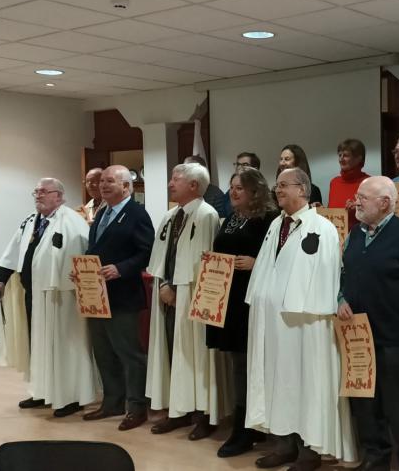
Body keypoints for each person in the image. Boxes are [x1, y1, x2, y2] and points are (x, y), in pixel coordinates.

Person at [246, 167, 356, 471]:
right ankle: (284, 444)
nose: (278, 190)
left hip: (306, 323)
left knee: (306, 383)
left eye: (284, 185)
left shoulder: (322, 227)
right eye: (276, 185)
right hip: (274, 321)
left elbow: (326, 276)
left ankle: (310, 450)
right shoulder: (275, 225)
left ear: (303, 190)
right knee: (278, 382)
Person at [0, 178, 97, 417]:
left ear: (58, 196)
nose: (37, 195)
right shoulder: (31, 221)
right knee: (37, 344)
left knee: (65, 347)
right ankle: (41, 391)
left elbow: (85, 255)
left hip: (62, 297)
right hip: (35, 295)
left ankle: (71, 396)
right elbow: (13, 252)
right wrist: (0, 280)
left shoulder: (73, 222)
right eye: (35, 192)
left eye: (43, 192)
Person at [337, 176, 399, 471]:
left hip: (392, 336)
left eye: (363, 197)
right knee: (364, 404)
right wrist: (339, 299)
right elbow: (342, 274)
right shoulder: (354, 234)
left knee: (397, 408)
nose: (356, 201)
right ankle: (375, 459)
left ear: (384, 203)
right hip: (357, 335)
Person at [146, 163, 232, 440]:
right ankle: (178, 410)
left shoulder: (207, 215)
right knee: (172, 352)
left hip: (191, 295)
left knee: (195, 355)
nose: (170, 183)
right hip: (168, 293)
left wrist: (177, 286)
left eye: (176, 179)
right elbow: (163, 254)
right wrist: (164, 283)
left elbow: (202, 261)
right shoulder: (172, 215)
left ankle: (204, 414)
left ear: (194, 185)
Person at [206, 169, 277, 457]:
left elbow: (279, 257)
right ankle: (246, 424)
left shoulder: (268, 219)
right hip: (229, 299)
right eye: (232, 187)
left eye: (240, 188)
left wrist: (256, 261)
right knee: (238, 364)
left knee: (250, 364)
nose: (233, 192)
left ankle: (247, 428)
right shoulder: (232, 218)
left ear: (255, 191)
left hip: (253, 299)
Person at [81, 165, 155, 431]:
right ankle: (112, 401)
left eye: (110, 181)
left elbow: (147, 252)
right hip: (97, 296)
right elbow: (94, 250)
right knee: (103, 351)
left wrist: (121, 268)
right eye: (101, 181)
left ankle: (136, 407)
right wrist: (82, 274)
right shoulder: (101, 213)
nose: (103, 185)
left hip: (123, 295)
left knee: (129, 353)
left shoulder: (137, 213)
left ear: (126, 186)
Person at [328, 139, 370, 229]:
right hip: (336, 237)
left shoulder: (369, 182)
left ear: (359, 158)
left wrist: (359, 208)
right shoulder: (334, 182)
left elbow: (377, 216)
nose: (341, 159)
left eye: (346, 155)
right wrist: (322, 210)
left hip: (360, 237)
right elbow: (332, 212)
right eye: (340, 155)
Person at [222, 152, 261, 217]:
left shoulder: (262, 194)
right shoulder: (229, 194)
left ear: (255, 169)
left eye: (245, 165)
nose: (239, 168)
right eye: (238, 164)